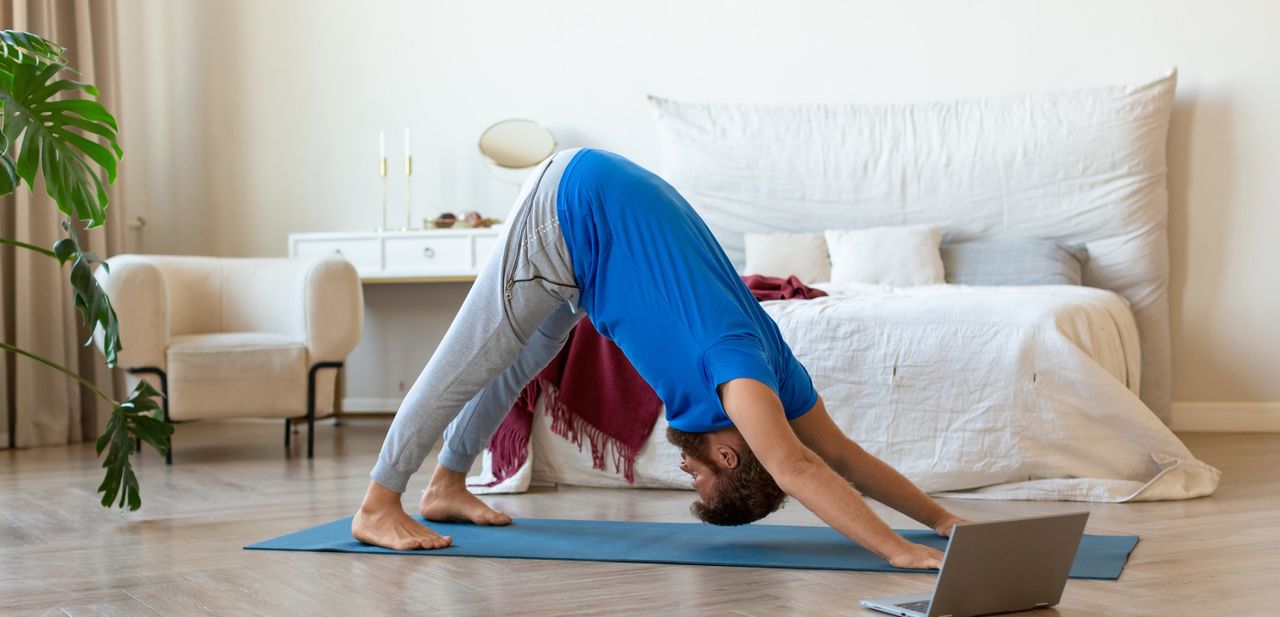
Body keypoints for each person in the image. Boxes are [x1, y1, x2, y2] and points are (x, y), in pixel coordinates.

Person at [352, 148, 965, 568]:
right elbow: (800, 468)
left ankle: (446, 484)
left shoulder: (776, 373)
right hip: (570, 206)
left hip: (597, 230)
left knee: (512, 356)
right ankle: (377, 504)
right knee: (467, 362)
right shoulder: (740, 380)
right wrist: (896, 549)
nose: (686, 471)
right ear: (730, 455)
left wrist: (940, 520)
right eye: (700, 478)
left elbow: (841, 456)